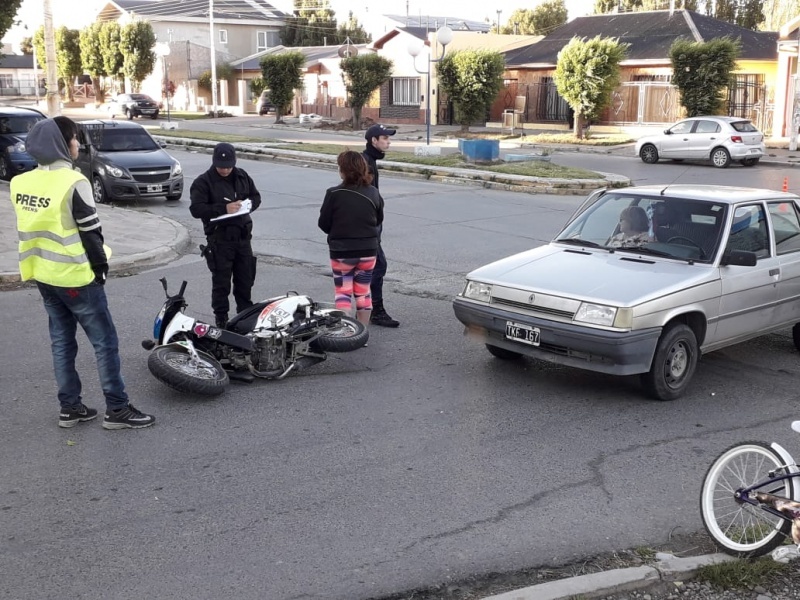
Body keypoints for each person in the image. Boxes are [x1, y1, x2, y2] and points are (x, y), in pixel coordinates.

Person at [10, 116, 155, 430]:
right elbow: (91, 232)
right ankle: (117, 409)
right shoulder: (73, 182)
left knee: (61, 342)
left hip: (43, 275)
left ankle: (70, 408)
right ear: (63, 144)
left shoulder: (20, 183)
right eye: (74, 138)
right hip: (76, 276)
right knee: (105, 343)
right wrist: (101, 269)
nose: (77, 144)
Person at [190, 143, 261, 328]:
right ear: (214, 162)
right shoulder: (203, 182)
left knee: (245, 280)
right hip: (220, 240)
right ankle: (221, 319)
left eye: (229, 166)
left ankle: (245, 316)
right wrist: (224, 209)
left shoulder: (242, 175)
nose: (225, 170)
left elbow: (256, 197)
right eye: (222, 166)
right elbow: (196, 209)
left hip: (243, 238)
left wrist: (247, 205)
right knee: (221, 283)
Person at [318, 151, 384, 328]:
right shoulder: (373, 193)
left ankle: (346, 332)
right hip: (368, 251)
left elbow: (323, 223)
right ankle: (362, 333)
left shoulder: (333, 193)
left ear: (342, 171)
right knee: (363, 292)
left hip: (342, 251)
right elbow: (379, 220)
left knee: (343, 292)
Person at [362, 123, 400, 328]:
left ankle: (369, 308)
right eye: (384, 138)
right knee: (377, 266)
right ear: (373, 141)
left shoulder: (371, 160)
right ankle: (375, 310)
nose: (388, 141)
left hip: (373, 224)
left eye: (388, 138)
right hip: (369, 225)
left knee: (373, 266)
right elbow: (363, 195)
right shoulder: (365, 162)